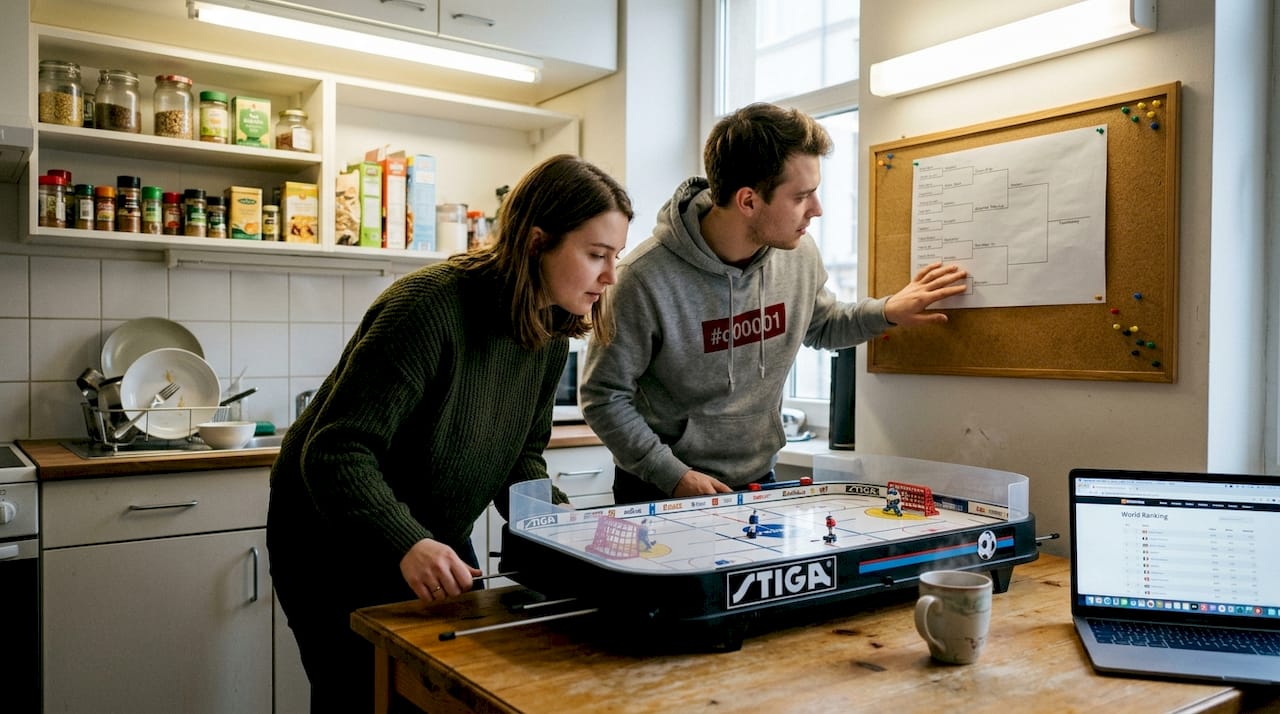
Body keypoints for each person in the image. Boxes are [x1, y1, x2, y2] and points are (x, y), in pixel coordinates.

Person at [267, 153, 632, 712]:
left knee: (442, 695)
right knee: (358, 695)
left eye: (615, 258)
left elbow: (521, 459)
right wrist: (407, 542)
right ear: (537, 242)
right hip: (328, 537)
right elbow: (336, 453)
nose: (610, 276)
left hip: (428, 528)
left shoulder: (550, 335)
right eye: (596, 255)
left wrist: (563, 530)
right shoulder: (427, 307)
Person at [581, 102, 968, 505]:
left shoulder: (798, 254)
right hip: (660, 490)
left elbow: (821, 326)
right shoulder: (641, 278)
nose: (816, 210)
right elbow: (603, 395)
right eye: (802, 196)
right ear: (748, 201)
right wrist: (672, 475)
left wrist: (888, 312)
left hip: (758, 481)